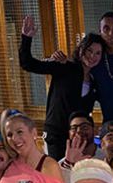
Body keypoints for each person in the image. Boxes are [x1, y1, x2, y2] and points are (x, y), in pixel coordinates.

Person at [18, 19, 102, 160]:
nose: (92, 56)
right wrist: (27, 38)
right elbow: (28, 64)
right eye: (89, 50)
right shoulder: (65, 67)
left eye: (98, 53)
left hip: (80, 136)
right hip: (56, 135)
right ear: (81, 49)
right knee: (58, 174)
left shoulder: (95, 81)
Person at [3, 113, 69, 183]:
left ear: (34, 133)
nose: (14, 138)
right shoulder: (8, 164)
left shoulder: (49, 166)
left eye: (20, 132)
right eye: (9, 135)